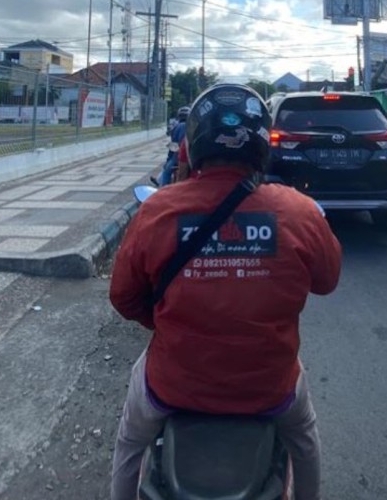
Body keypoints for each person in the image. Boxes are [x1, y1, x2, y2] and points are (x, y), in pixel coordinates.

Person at [109, 83, 342, 500]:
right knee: (304, 440)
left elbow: (124, 298)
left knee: (130, 443)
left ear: (194, 143)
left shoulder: (157, 210)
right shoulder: (299, 211)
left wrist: (166, 321)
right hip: (270, 387)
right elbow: (327, 281)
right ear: (260, 145)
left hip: (173, 383)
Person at [158, 106, 190, 186]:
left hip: (178, 158)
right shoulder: (191, 126)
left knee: (166, 172)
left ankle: (163, 190)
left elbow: (174, 146)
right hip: (191, 157)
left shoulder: (178, 126)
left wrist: (168, 160)